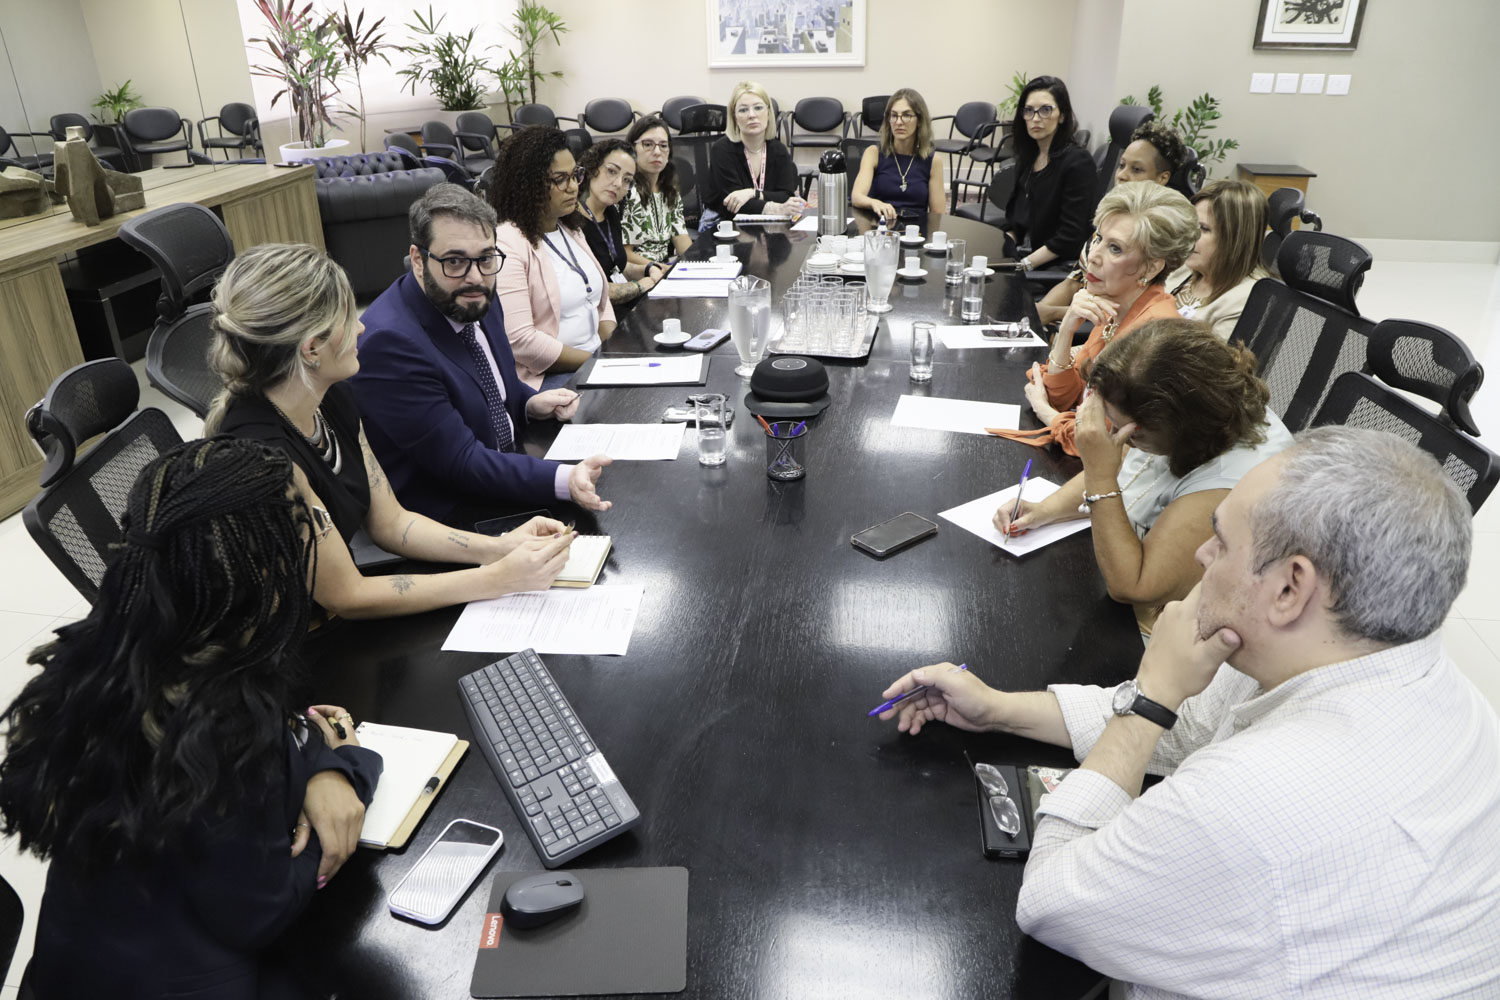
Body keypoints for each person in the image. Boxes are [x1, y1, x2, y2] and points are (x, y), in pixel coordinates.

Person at [880, 426, 1500, 998]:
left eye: (1223, 539)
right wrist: (998, 711)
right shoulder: (1391, 668)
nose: (1202, 554)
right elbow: (1195, 730)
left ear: (1290, 589)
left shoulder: (1256, 798)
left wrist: (1149, 702)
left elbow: (1052, 904)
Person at [0, 437, 385, 997]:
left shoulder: (109, 655)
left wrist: (311, 762)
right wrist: (350, 765)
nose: (320, 538)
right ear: (266, 566)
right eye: (311, 529)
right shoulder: (223, 719)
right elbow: (262, 913)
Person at [209, 239, 582, 621]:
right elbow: (348, 596)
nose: (361, 326)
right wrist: (495, 579)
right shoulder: (266, 457)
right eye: (347, 318)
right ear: (311, 349)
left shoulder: (331, 396)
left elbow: (392, 522)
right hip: (288, 647)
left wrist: (500, 548)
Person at [996, 318, 1294, 632]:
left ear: (1180, 424)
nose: (1122, 440)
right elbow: (1126, 460)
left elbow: (1134, 587)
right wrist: (1045, 510)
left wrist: (1099, 472)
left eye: (1133, 435)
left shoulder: (1232, 482)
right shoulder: (1198, 414)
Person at [352, 183, 614, 528]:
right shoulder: (391, 343)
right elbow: (460, 462)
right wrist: (563, 480)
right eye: (455, 261)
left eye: (485, 258)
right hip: (449, 513)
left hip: (500, 468)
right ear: (419, 260)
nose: (475, 276)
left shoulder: (476, 296)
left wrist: (527, 402)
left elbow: (487, 382)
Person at [994, 181, 1197, 456]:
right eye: (1098, 239)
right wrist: (1066, 330)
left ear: (1151, 267)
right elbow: (1066, 395)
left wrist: (1046, 412)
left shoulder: (1152, 337)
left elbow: (1102, 446)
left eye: (1115, 249)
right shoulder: (1116, 304)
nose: (1094, 256)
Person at [488, 126, 617, 390]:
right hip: (550, 378)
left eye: (575, 175)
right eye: (560, 179)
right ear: (529, 184)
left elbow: (600, 302)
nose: (572, 187)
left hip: (596, 363)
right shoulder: (507, 242)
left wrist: (614, 352)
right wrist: (597, 361)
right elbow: (521, 341)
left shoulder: (571, 229)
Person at [1036, 122, 1190, 326]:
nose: (1122, 175)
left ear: (1162, 178)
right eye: (1122, 165)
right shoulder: (1113, 220)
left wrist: (1053, 313)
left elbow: (1121, 309)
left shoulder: (1160, 237)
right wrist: (1036, 317)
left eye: (1136, 169)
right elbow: (1073, 282)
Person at [1004, 75, 1098, 273]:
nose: (1036, 119)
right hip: (1024, 256)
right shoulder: (1028, 158)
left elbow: (1069, 237)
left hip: (1054, 267)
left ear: (1062, 115)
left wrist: (1023, 265)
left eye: (1045, 110)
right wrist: (1005, 249)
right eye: (1029, 111)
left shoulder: (1078, 162)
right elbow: (1015, 223)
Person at [1165, 179, 1270, 340]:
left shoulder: (1246, 301)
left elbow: (1208, 364)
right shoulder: (1184, 267)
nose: (1189, 235)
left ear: (1235, 238)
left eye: (1203, 228)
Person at [574, 137, 666, 308]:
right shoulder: (572, 221)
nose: (617, 184)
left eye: (626, 180)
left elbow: (618, 267)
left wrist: (649, 268)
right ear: (593, 167)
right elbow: (589, 291)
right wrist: (639, 286)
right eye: (611, 171)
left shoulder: (611, 213)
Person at [706, 81, 804, 219]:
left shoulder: (778, 150)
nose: (751, 115)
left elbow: (786, 195)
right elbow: (732, 205)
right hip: (724, 224)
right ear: (734, 117)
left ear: (768, 112)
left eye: (758, 108)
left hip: (768, 224)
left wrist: (753, 193)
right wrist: (777, 208)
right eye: (743, 110)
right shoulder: (722, 150)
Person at [850, 88, 946, 223]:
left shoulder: (933, 161)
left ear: (919, 120)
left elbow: (938, 214)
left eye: (907, 115)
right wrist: (874, 203)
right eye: (894, 115)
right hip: (881, 229)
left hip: (915, 233)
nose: (899, 122)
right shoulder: (873, 153)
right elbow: (856, 197)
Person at [621, 116, 693, 263]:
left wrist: (697, 265)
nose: (657, 152)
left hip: (664, 268)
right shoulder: (626, 191)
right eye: (648, 144)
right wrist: (660, 269)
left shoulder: (670, 191)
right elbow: (625, 255)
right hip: (638, 275)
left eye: (663, 145)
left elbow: (682, 242)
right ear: (632, 149)